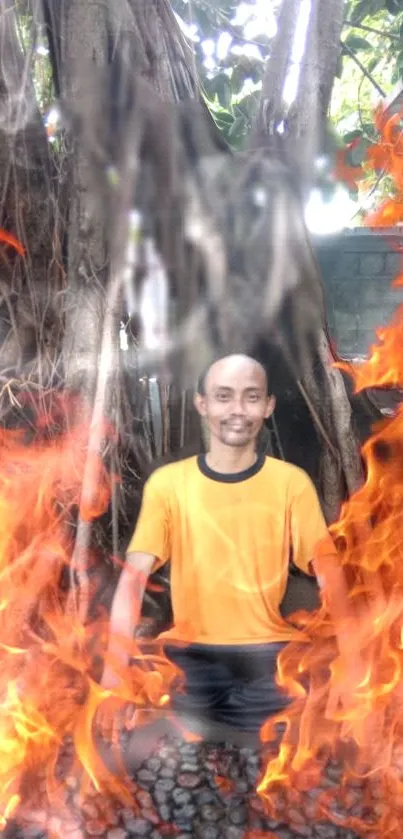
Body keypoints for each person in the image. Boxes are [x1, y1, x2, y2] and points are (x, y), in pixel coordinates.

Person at [100, 353, 336, 736]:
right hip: (189, 658)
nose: (237, 410)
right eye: (224, 396)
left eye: (251, 397)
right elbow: (133, 579)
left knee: (288, 749)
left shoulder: (291, 483)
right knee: (155, 745)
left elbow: (330, 573)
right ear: (202, 404)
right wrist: (113, 677)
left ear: (268, 405)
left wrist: (355, 664)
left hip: (270, 658)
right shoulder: (168, 484)